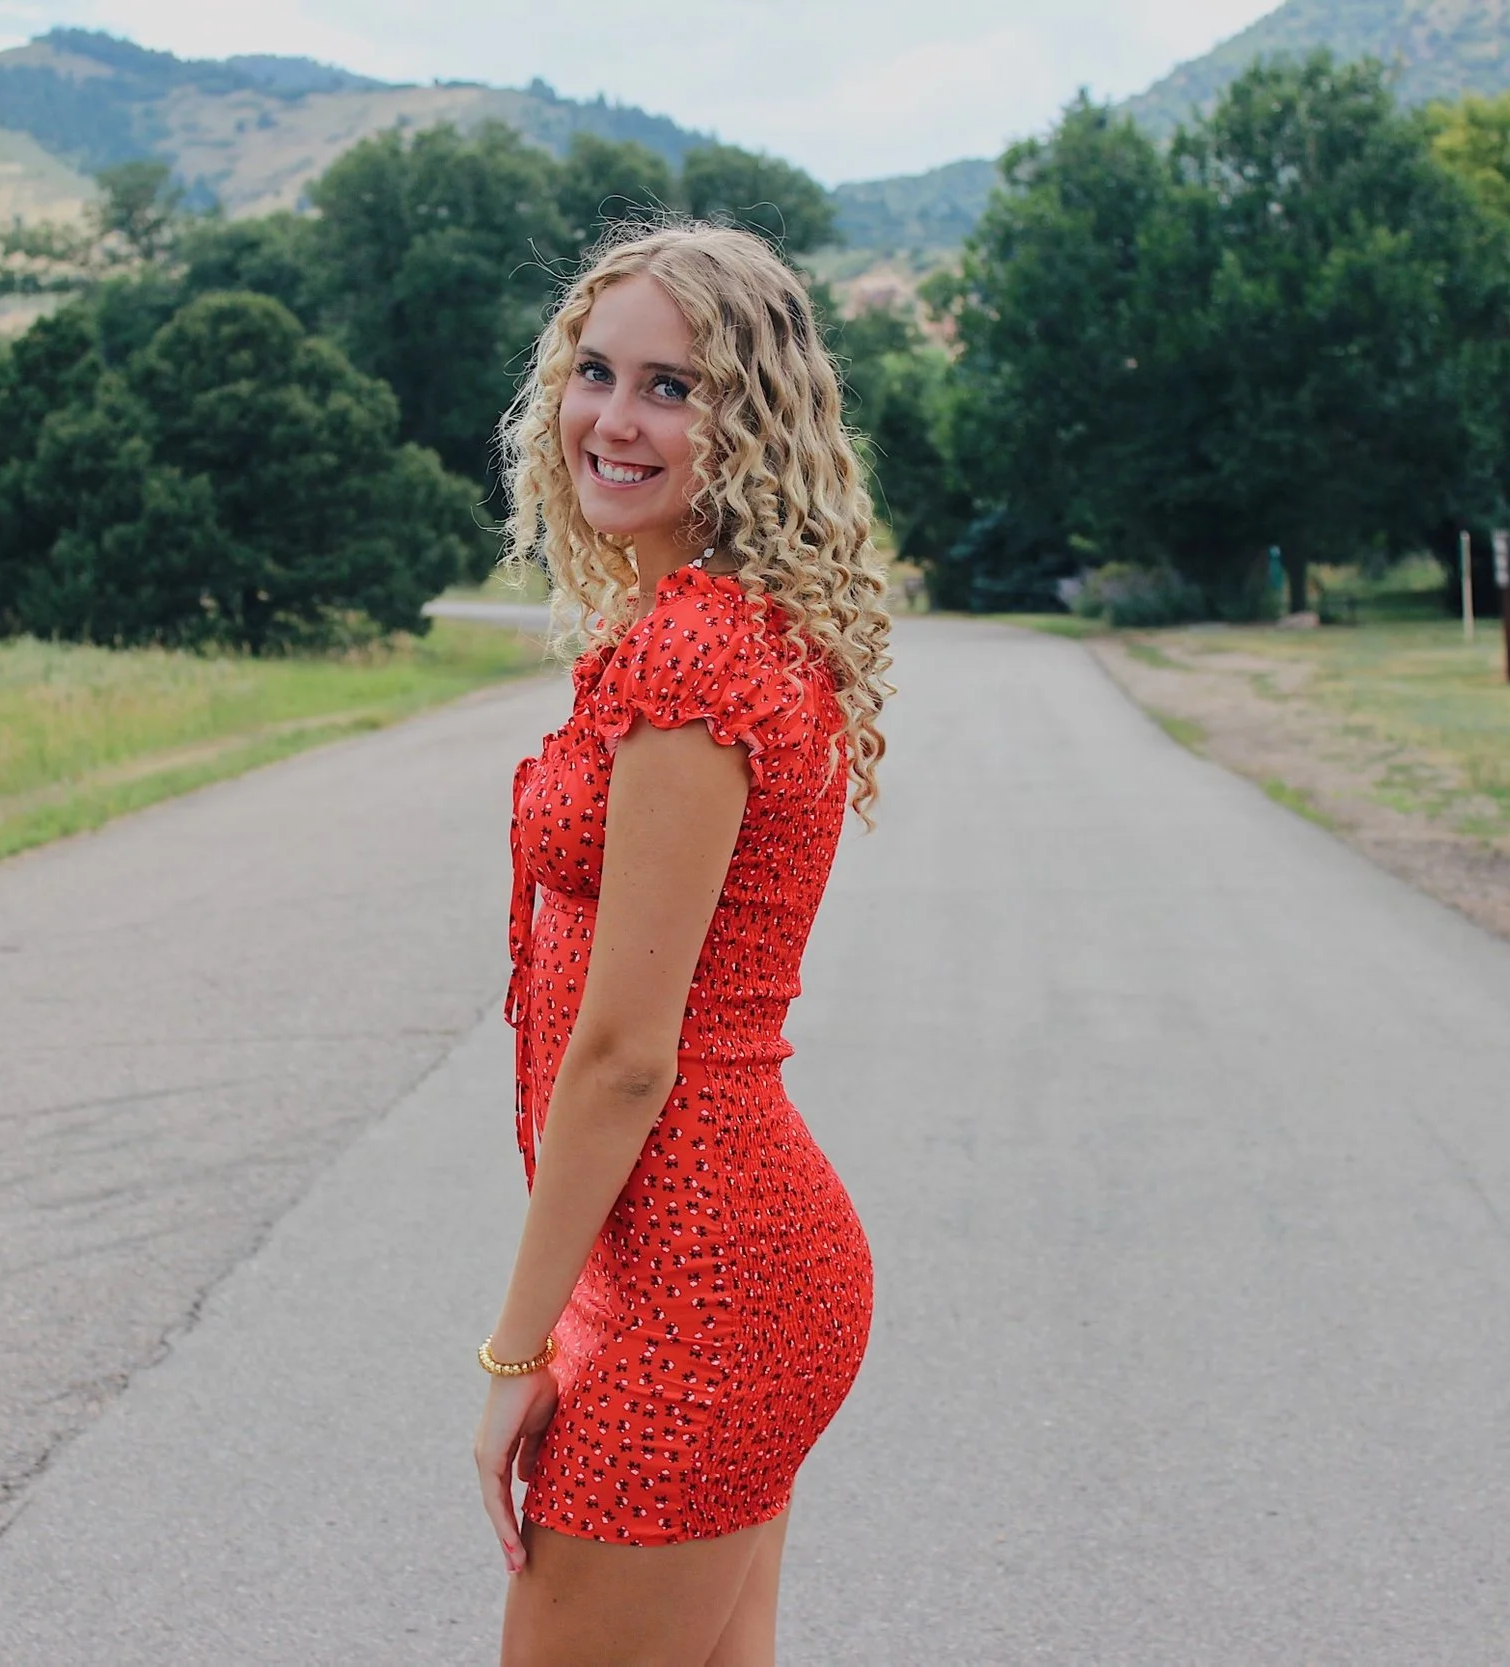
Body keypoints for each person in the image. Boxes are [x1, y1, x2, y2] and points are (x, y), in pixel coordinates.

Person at [475, 222, 896, 1667]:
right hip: (709, 1268)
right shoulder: (717, 627)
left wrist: (516, 1351)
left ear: (753, 424)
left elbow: (622, 1057)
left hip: (709, 1287)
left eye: (672, 387)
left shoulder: (699, 656)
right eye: (595, 372)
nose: (614, 418)